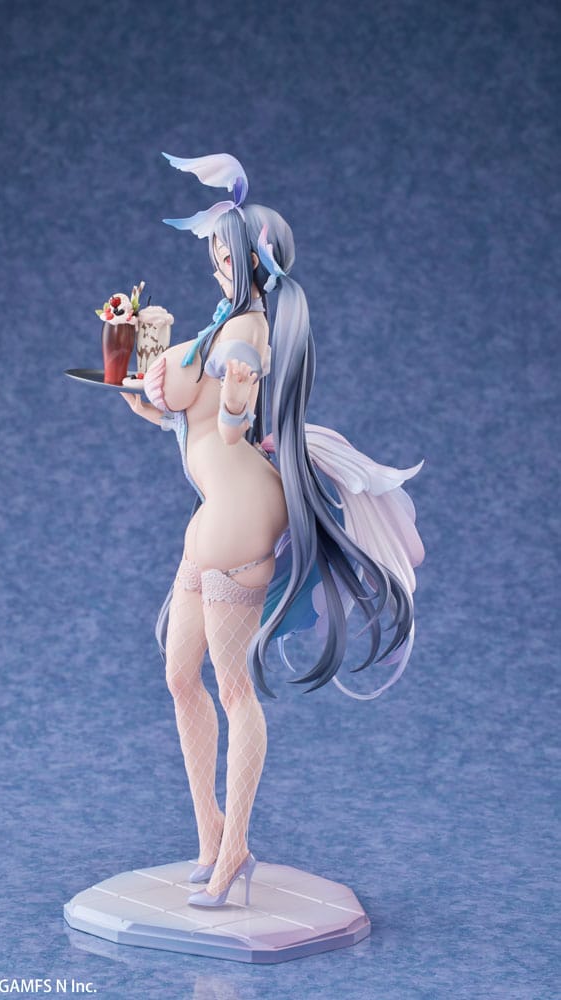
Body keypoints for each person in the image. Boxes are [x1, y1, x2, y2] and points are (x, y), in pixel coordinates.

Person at [120, 152, 424, 907]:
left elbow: (230, 425)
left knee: (233, 689)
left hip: (239, 519)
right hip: (213, 518)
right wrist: (145, 401)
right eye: (214, 253)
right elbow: (193, 424)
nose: (218, 264)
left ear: (256, 258)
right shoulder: (220, 321)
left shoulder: (248, 328)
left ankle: (235, 853)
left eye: (228, 253)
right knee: (179, 676)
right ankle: (211, 834)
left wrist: (234, 399)